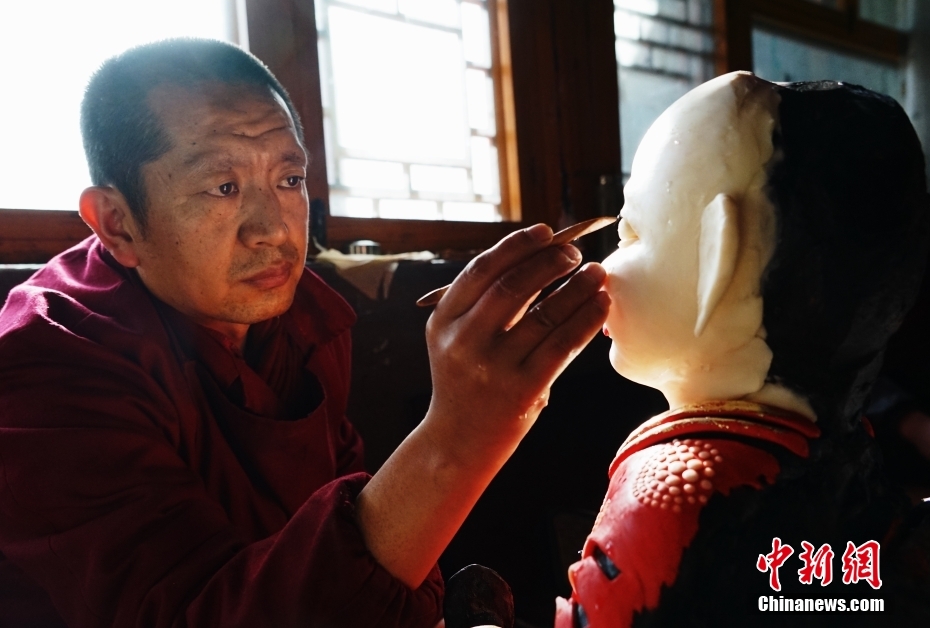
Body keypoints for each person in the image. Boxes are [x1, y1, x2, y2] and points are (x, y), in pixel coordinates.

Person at [0, 39, 610, 627]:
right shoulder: (46, 366)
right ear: (117, 222)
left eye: (289, 180)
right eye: (224, 187)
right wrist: (463, 432)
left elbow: (343, 521)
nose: (274, 229)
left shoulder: (300, 319)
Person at [556, 72, 930, 626]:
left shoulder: (669, 498)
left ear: (720, 258)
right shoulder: (849, 454)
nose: (603, 269)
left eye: (630, 234)